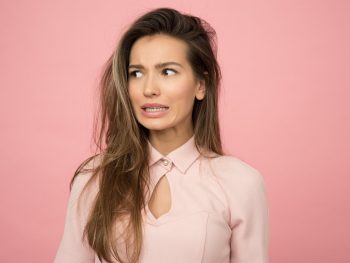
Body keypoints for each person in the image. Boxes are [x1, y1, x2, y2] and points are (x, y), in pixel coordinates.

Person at [54, 7, 269, 263]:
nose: (148, 89)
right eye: (137, 73)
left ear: (201, 85)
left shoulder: (241, 182)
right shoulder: (95, 178)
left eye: (167, 72)